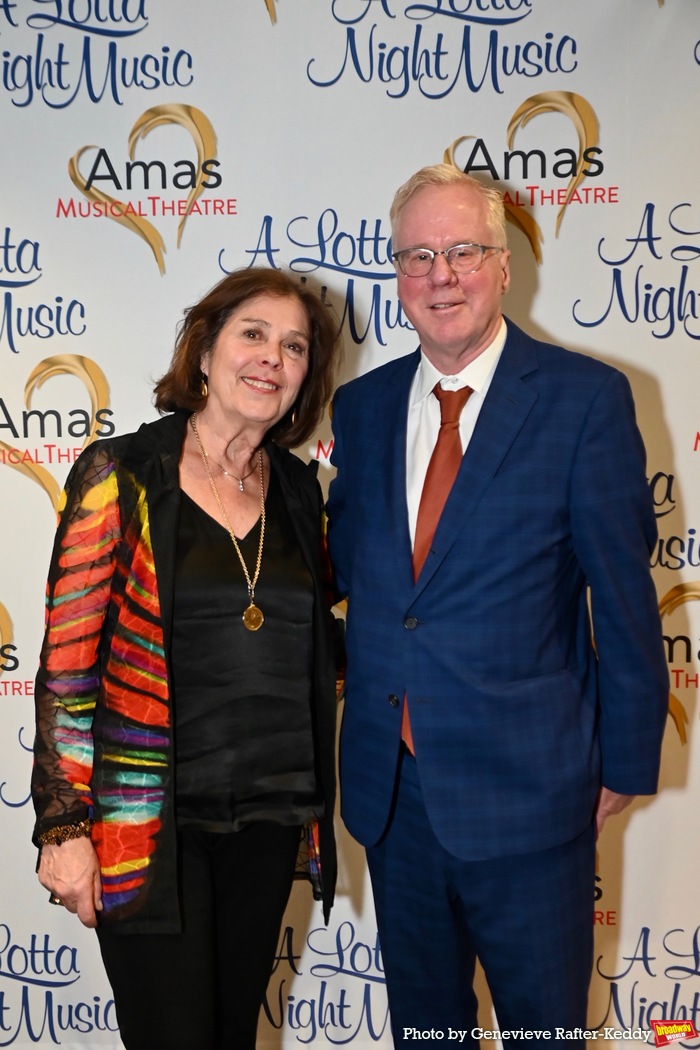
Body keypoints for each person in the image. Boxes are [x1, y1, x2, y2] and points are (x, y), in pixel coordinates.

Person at [326, 165, 668, 1046]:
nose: (442, 275)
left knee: (542, 1035)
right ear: (396, 273)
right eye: (419, 255)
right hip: (392, 802)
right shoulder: (359, 410)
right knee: (426, 1035)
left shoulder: (584, 400)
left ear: (505, 263)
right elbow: (350, 578)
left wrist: (624, 764)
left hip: (534, 799)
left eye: (464, 251)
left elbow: (625, 602)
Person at [32, 266, 342, 1050]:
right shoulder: (123, 473)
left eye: (295, 346)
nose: (273, 357)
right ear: (204, 352)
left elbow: (316, 641)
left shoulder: (302, 494)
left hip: (270, 819)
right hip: (149, 825)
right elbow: (67, 667)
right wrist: (63, 824)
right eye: (254, 334)